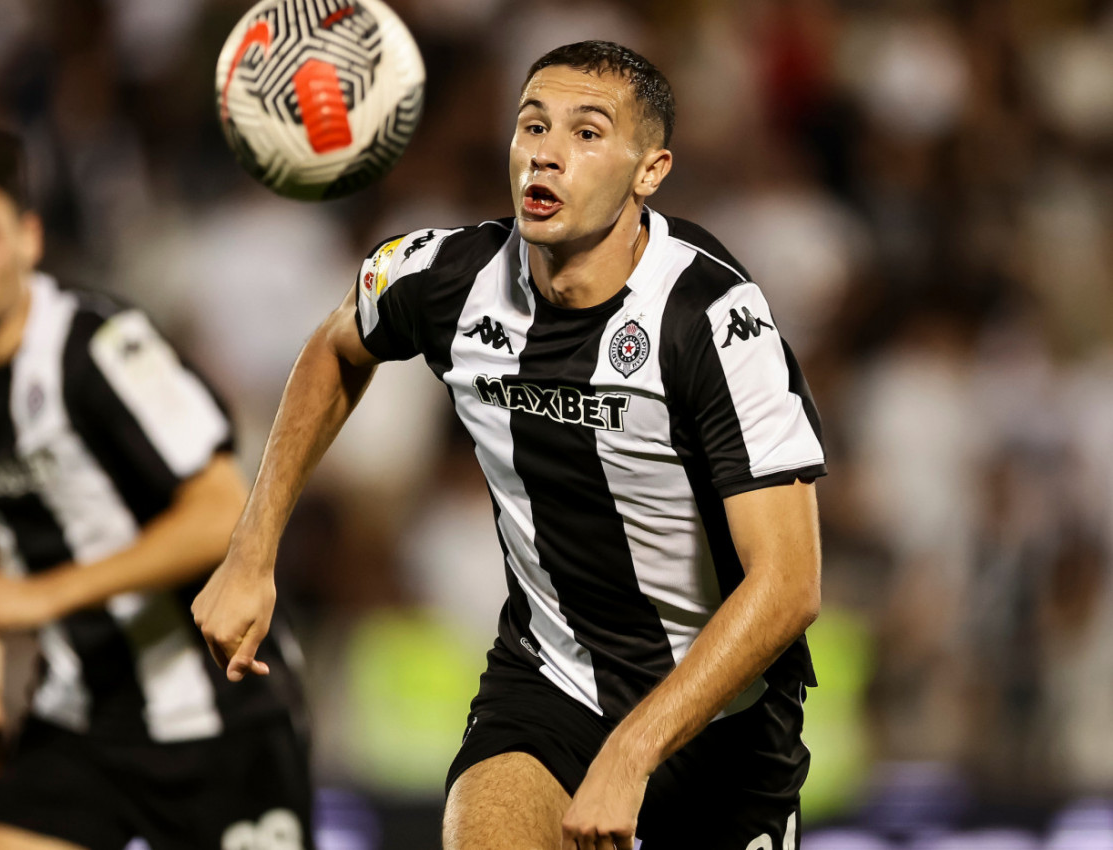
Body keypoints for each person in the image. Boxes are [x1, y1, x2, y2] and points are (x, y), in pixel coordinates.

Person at [195, 40, 825, 850]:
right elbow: (334, 346)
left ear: (649, 171)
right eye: (532, 125)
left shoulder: (710, 318)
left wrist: (631, 751)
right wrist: (252, 553)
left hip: (722, 720)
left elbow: (787, 585)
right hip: (549, 685)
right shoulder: (448, 278)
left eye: (587, 133)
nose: (546, 153)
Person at [0, 127, 313, 850]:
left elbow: (224, 512)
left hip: (223, 716)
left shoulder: (100, 348)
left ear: (29, 239)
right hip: (78, 726)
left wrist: (46, 594)